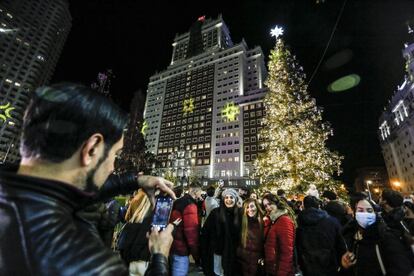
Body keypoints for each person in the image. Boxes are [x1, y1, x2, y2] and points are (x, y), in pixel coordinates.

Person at [0, 83, 176, 275]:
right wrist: (159, 256)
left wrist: (136, 180)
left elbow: (68, 191)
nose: (112, 167)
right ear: (92, 148)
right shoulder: (86, 261)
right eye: (115, 155)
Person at [340, 193, 414, 275]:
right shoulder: (353, 240)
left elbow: (402, 269)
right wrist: (345, 267)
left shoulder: (386, 237)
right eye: (360, 210)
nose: (365, 213)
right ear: (354, 214)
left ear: (374, 213)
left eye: (369, 210)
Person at [296, 195, 345, 275]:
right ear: (318, 205)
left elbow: (297, 245)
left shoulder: (299, 223)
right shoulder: (331, 221)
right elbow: (340, 245)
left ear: (304, 206)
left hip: (307, 266)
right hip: (330, 265)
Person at [201, 188, 242, 276]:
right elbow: (205, 233)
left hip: (233, 255)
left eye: (231, 197)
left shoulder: (240, 214)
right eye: (226, 197)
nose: (229, 200)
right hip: (218, 254)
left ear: (235, 199)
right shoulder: (215, 213)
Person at [169, 182, 202, 276]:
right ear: (196, 192)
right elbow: (191, 234)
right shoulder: (190, 206)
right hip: (182, 249)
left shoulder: (178, 201)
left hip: (171, 245)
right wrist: (196, 256)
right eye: (199, 192)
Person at [119, 190, 153, 275]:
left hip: (130, 263)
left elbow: (123, 246)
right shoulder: (152, 224)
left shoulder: (131, 223)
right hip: (145, 262)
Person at [262, 193, 296, 276]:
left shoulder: (284, 220)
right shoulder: (273, 219)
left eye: (270, 204)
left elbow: (287, 251)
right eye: (265, 206)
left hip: (280, 270)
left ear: (276, 203)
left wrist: (282, 273)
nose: (268, 208)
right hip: (273, 268)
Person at [236, 198, 265, 276]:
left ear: (257, 207)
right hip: (244, 261)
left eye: (252, 206)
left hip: (258, 262)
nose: (249, 209)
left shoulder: (264, 221)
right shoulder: (243, 221)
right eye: (247, 207)